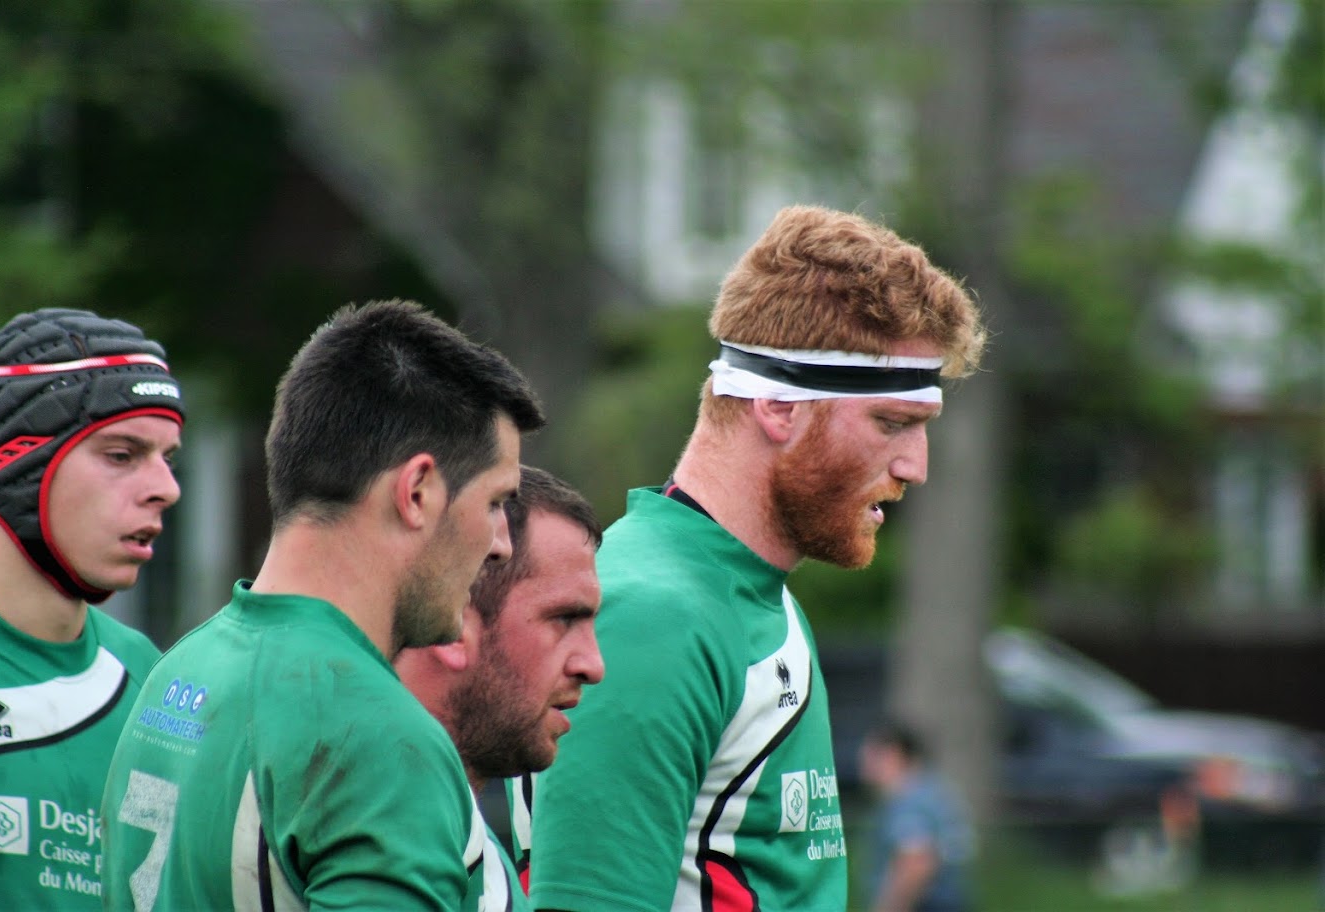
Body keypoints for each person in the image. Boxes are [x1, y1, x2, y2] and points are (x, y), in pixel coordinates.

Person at [523, 204, 987, 911]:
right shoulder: (653, 614)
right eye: (892, 423)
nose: (915, 466)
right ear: (778, 405)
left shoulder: (752, 593)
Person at [100, 299, 545, 910]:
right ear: (416, 492)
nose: (502, 545)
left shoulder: (177, 671)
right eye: (496, 502)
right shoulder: (376, 737)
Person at [0, 308, 185, 910]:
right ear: (17, 456)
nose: (166, 486)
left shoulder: (155, 686)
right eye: (121, 454)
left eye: (168, 456)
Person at [395, 464, 605, 910]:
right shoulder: (382, 825)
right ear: (451, 622)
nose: (594, 665)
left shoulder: (459, 834)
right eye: (564, 617)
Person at [859, 722, 976, 912]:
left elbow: (915, 861)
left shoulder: (909, 800)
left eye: (871, 752)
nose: (863, 760)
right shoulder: (933, 791)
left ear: (893, 753)